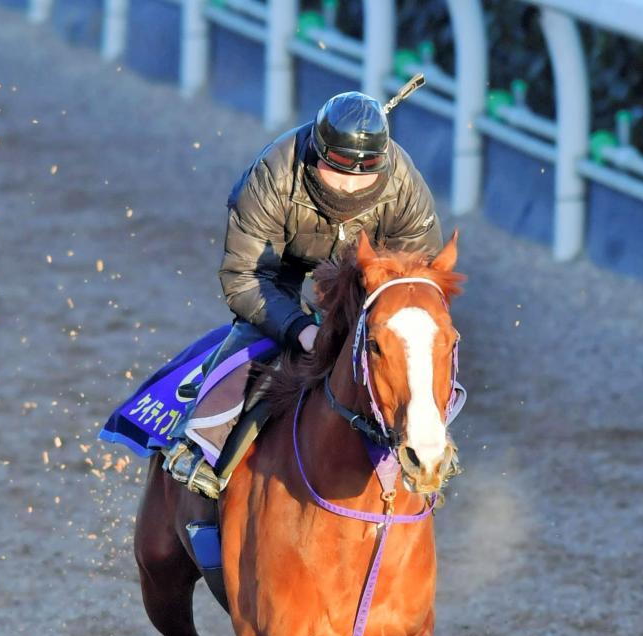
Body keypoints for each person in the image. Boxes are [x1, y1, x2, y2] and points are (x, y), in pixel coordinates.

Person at [163, 89, 444, 498]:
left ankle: (436, 443)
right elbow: (244, 277)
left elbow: (421, 277)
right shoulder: (273, 175)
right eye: (339, 172)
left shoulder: (404, 183)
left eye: (364, 176)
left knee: (418, 344)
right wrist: (300, 329)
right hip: (280, 269)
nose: (350, 187)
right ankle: (200, 443)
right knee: (254, 340)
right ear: (316, 154)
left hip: (371, 272)